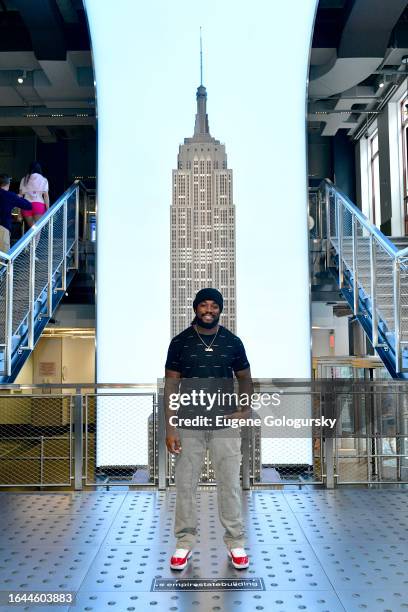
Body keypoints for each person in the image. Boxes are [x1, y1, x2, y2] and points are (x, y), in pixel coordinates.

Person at [164, 288, 253, 571]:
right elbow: (171, 386)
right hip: (189, 424)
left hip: (224, 425)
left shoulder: (232, 342)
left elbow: (245, 379)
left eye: (214, 305)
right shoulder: (180, 343)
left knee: (229, 483)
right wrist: (170, 426)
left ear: (220, 310)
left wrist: (244, 409)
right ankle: (184, 543)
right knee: (186, 485)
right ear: (195, 308)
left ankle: (235, 543)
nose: (209, 309)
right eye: (204, 304)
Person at [0, 174, 32, 252]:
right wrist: (18, 197)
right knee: (4, 256)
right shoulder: (10, 196)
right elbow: (28, 206)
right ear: (8, 184)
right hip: (3, 228)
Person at [19, 161, 49, 229]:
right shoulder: (44, 180)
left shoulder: (24, 179)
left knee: (32, 229)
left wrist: (19, 212)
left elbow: (20, 196)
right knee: (37, 229)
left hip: (26, 205)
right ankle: (36, 240)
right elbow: (46, 196)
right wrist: (47, 209)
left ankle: (32, 240)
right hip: (38, 205)